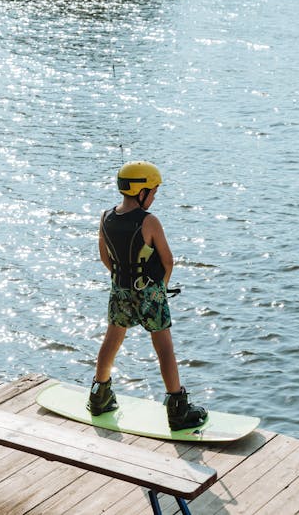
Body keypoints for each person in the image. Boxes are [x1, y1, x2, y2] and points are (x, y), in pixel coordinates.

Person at [88, 160, 208, 431]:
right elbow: (168, 260)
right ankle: (178, 409)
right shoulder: (149, 221)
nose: (154, 197)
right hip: (150, 293)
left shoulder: (105, 216)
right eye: (153, 191)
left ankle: (99, 395)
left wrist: (124, 281)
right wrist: (160, 290)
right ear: (141, 191)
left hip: (119, 289)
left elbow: (105, 257)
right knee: (164, 347)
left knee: (112, 339)